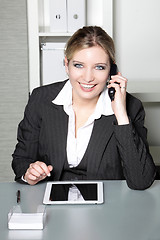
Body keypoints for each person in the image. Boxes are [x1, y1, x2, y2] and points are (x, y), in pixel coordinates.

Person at [12, 26, 156, 190]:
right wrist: (29, 173)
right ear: (66, 65)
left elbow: (141, 181)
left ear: (112, 70)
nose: (88, 78)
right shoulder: (41, 99)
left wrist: (121, 115)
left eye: (99, 67)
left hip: (108, 207)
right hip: (50, 201)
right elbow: (21, 159)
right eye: (79, 65)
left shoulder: (131, 106)